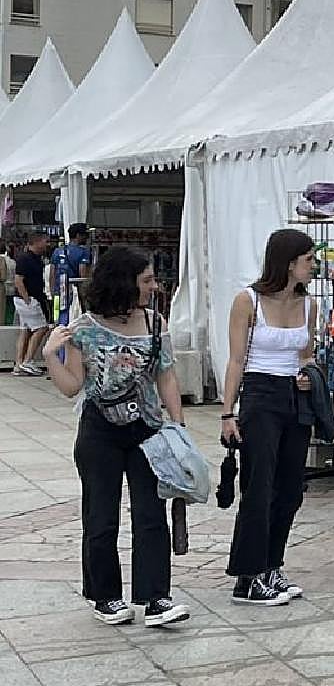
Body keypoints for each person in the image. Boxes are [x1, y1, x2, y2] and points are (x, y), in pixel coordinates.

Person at [42, 246, 189, 627]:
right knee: (101, 517)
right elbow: (72, 386)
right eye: (147, 280)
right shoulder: (84, 328)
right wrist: (50, 355)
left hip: (147, 428)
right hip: (99, 430)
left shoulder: (155, 323)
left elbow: (166, 376)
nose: (154, 286)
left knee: (151, 515)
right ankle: (105, 596)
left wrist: (178, 425)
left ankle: (156, 597)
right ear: (124, 282)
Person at [221, 229, 319, 605]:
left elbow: (306, 353)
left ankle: (271, 565)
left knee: (290, 488)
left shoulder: (309, 304)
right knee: (258, 487)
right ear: (289, 263)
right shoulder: (248, 300)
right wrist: (227, 412)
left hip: (295, 395)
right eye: (308, 259)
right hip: (260, 395)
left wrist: (309, 374)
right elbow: (236, 359)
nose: (314, 266)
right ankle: (247, 576)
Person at [12, 233, 52, 376]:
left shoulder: (37, 259)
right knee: (41, 328)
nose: (48, 244)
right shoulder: (25, 259)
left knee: (26, 330)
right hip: (28, 299)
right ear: (36, 242)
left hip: (29, 298)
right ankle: (28, 361)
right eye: (45, 241)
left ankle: (19, 364)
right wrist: (27, 298)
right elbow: (18, 280)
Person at [50, 223, 93, 324]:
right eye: (85, 235)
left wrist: (52, 291)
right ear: (78, 235)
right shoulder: (84, 252)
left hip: (58, 289)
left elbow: (52, 273)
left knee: (57, 316)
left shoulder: (57, 251)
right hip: (75, 290)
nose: (87, 238)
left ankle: (58, 327)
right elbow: (83, 274)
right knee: (77, 316)